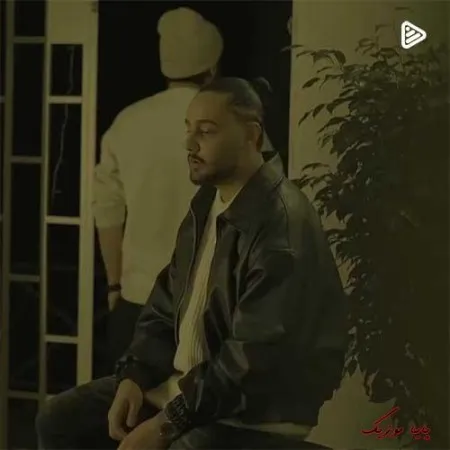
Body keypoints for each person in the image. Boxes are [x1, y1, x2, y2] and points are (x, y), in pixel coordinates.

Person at [36, 78, 348, 449]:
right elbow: (164, 306)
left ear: (251, 136)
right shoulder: (207, 203)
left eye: (206, 131)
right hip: (191, 393)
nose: (189, 144)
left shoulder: (281, 222)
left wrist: (168, 422)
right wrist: (135, 375)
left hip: (252, 412)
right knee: (59, 419)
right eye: (188, 129)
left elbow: (252, 358)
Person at [93, 7, 224, 364]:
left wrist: (115, 286)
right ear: (212, 69)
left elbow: (107, 212)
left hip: (139, 299)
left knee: (131, 399)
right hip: (208, 304)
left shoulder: (127, 123)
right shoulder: (230, 125)